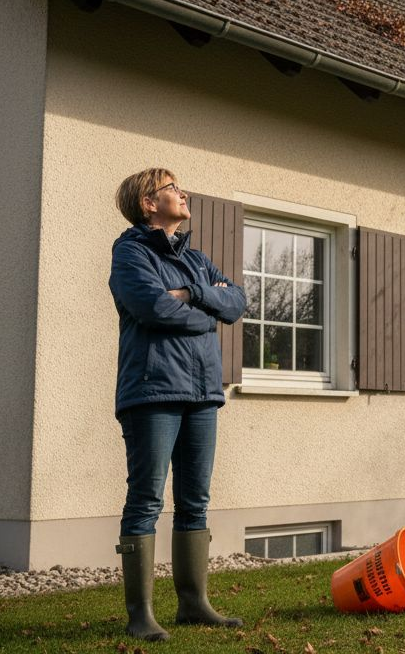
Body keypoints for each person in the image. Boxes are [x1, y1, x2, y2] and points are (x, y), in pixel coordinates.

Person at [109, 169, 247, 641]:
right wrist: (206, 316)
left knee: (195, 501)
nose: (183, 193)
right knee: (146, 499)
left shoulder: (197, 260)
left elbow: (236, 303)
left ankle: (193, 603)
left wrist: (193, 294)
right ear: (149, 203)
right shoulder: (130, 252)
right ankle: (141, 614)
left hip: (203, 393)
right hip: (152, 392)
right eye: (173, 189)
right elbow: (152, 308)